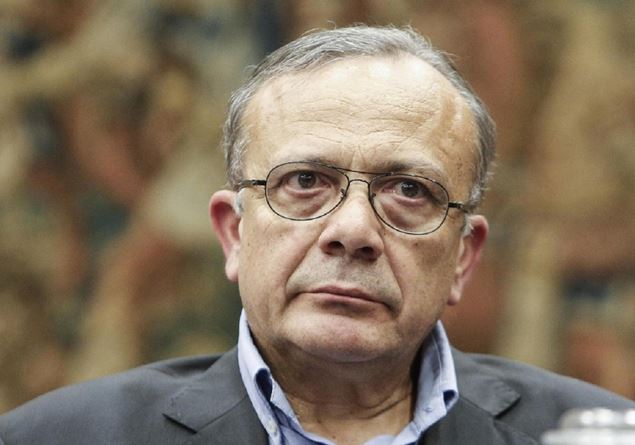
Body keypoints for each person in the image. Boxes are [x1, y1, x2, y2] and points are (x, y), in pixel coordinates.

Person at [1, 25, 633, 445]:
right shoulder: (56, 438)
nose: (353, 231)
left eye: (409, 190)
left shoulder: (594, 432)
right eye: (304, 181)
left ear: (463, 258)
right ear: (234, 234)